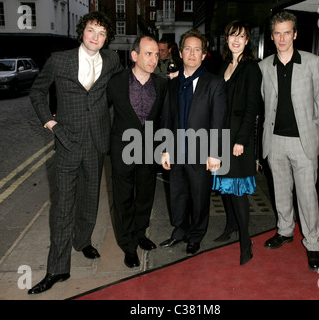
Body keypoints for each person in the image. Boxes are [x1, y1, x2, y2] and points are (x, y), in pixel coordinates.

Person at [28, 11, 123, 294]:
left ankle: (82, 241)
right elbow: (37, 92)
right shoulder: (60, 59)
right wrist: (51, 123)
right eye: (92, 30)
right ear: (83, 31)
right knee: (63, 208)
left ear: (107, 39)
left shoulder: (112, 60)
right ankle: (57, 269)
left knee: (90, 199)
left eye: (102, 33)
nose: (96, 37)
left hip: (97, 141)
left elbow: (122, 88)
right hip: (67, 141)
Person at [259, 11, 319, 271]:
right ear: (272, 36)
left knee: (307, 196)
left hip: (303, 142)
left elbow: (318, 102)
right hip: (275, 141)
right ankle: (285, 231)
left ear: (295, 34)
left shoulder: (312, 62)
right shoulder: (264, 67)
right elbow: (265, 103)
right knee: (281, 192)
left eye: (287, 32)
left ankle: (312, 244)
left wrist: (310, 129)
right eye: (278, 33)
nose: (282, 38)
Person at [159, 29, 227, 255]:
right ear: (179, 52)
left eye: (197, 49)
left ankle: (196, 236)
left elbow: (219, 120)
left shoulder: (215, 83)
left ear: (204, 54)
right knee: (177, 195)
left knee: (199, 197)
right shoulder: (174, 83)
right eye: (187, 48)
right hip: (177, 150)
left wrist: (215, 153)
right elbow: (167, 118)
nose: (191, 53)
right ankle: (180, 231)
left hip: (202, 152)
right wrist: (165, 150)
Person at [106, 36, 167, 268]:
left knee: (145, 195)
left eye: (156, 54)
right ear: (134, 56)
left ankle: (140, 233)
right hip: (123, 150)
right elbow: (101, 111)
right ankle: (128, 245)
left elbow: (163, 120)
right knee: (123, 199)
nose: (154, 59)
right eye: (148, 54)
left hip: (149, 151)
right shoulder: (116, 83)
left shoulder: (161, 85)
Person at [212, 21, 262, 265]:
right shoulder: (224, 65)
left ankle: (246, 241)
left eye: (241, 36)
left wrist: (241, 140)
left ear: (247, 41)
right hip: (221, 137)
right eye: (232, 35)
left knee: (238, 190)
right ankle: (231, 225)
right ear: (227, 38)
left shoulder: (251, 68)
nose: (236, 40)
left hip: (238, 139)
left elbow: (252, 108)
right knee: (224, 185)